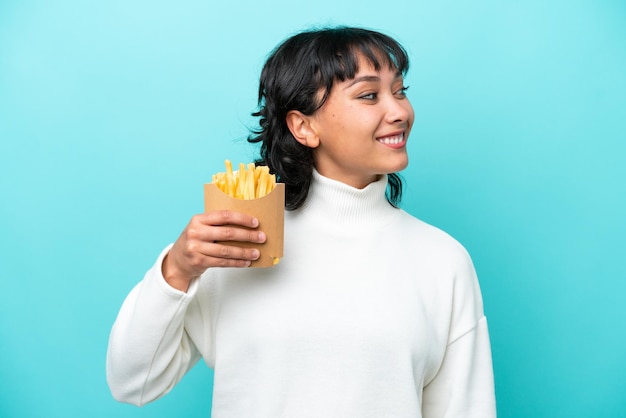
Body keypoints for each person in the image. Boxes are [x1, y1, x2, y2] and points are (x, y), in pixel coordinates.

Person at [106, 26, 496, 417]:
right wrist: (176, 270)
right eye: (369, 95)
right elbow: (133, 382)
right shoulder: (236, 245)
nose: (399, 112)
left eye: (400, 91)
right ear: (304, 126)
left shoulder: (442, 259)